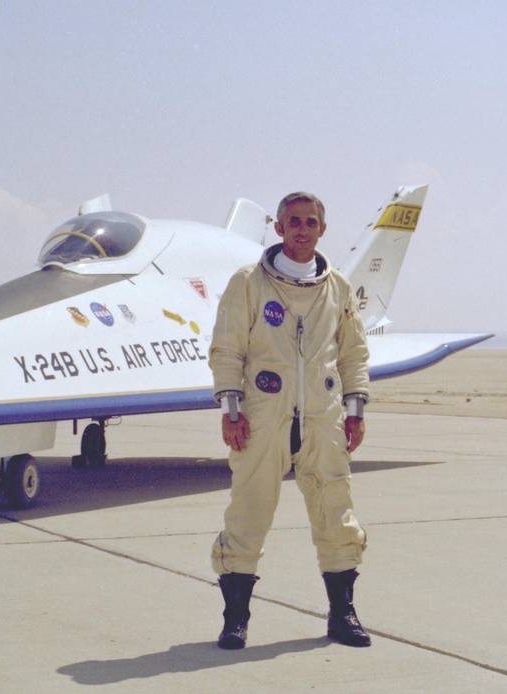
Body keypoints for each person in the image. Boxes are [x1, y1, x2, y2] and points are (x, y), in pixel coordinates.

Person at [209, 191, 371, 649]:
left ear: (322, 229)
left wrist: (355, 412)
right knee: (248, 512)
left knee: (335, 514)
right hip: (262, 417)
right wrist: (231, 409)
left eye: (311, 222)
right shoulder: (249, 283)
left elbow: (354, 352)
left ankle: (342, 615)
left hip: (323, 418)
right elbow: (227, 349)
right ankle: (235, 619)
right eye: (293, 222)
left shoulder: (337, 287)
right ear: (278, 229)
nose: (302, 229)